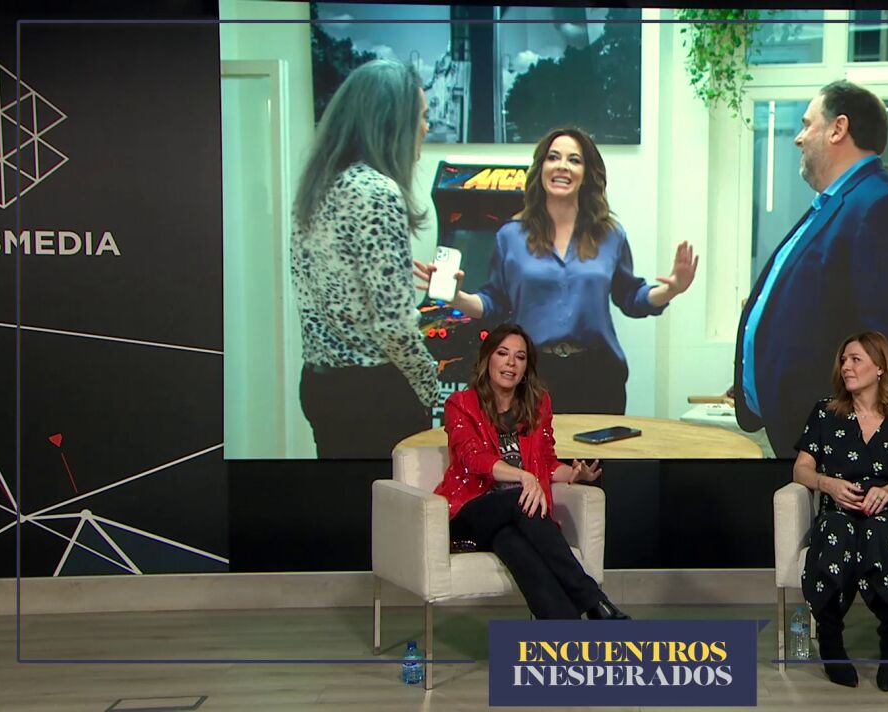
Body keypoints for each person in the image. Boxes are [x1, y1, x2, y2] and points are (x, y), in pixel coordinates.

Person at [415, 127, 698, 414]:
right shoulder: (511, 236)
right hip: (532, 375)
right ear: (541, 169)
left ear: (586, 174)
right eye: (553, 157)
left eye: (574, 160)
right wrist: (456, 297)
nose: (562, 165)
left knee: (593, 446)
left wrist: (671, 289)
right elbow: (494, 303)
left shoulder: (610, 234)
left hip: (598, 375)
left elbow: (632, 297)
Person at [734, 80, 888, 458]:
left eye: (807, 124)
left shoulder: (880, 207)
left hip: (846, 451)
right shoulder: (836, 204)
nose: (798, 138)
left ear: (838, 128)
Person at [290, 59, 440, 458]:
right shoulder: (377, 192)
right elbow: (392, 324)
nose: (426, 127)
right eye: (422, 116)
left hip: (322, 385)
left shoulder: (318, 186)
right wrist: (429, 383)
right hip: (375, 395)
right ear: (392, 122)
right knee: (391, 499)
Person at [433, 323, 630, 620]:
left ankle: (567, 635)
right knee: (518, 498)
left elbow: (546, 463)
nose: (511, 363)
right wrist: (523, 477)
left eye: (520, 357)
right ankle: (595, 602)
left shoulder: (537, 405)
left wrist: (574, 475)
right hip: (470, 512)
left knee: (515, 547)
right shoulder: (461, 404)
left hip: (516, 519)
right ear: (488, 359)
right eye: (503, 353)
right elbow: (474, 458)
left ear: (527, 367)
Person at [793, 331, 888, 691]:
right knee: (835, 530)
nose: (846, 366)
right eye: (843, 360)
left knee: (879, 531)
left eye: (855, 359)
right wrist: (827, 484)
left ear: (880, 367)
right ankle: (831, 640)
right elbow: (801, 470)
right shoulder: (826, 413)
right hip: (841, 511)